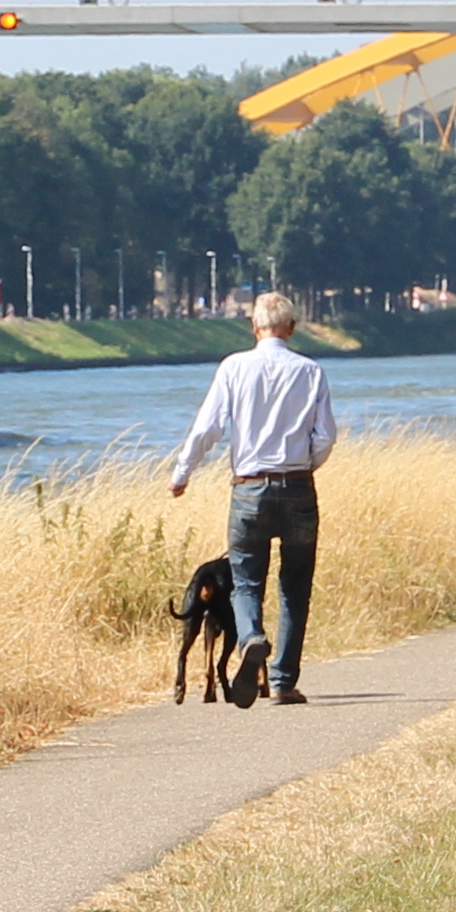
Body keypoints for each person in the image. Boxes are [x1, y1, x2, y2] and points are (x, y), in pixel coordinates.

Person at [169, 291, 337, 707]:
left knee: (245, 580)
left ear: (254, 326)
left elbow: (207, 427)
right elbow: (326, 436)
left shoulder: (234, 367)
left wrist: (181, 473)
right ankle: (282, 681)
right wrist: (304, 467)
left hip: (248, 486)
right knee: (295, 585)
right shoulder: (310, 371)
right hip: (297, 485)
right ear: (293, 328)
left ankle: (250, 637)